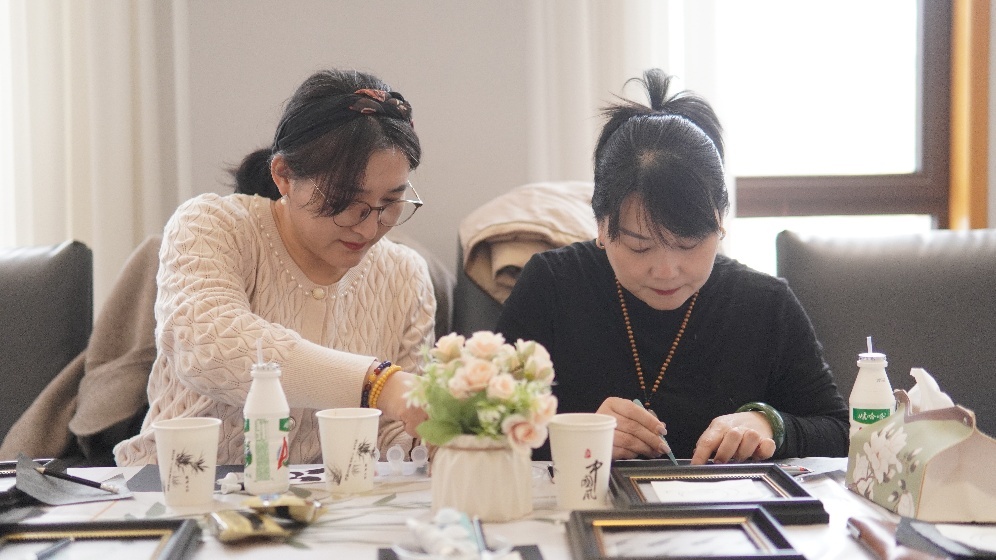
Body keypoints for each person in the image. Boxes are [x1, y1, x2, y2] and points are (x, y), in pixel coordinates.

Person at [496, 69, 849, 464]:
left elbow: (841, 432)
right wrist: (579, 436)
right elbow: (479, 425)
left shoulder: (764, 305)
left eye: (688, 244)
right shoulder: (552, 286)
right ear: (602, 226)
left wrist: (769, 424)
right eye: (640, 246)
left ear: (721, 222)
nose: (666, 270)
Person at [114, 69, 434, 466]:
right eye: (346, 201)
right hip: (180, 486)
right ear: (283, 175)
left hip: (328, 498)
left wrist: (446, 433)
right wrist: (378, 383)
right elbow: (208, 348)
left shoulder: (406, 275)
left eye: (390, 202)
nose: (370, 228)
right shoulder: (213, 225)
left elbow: (392, 435)